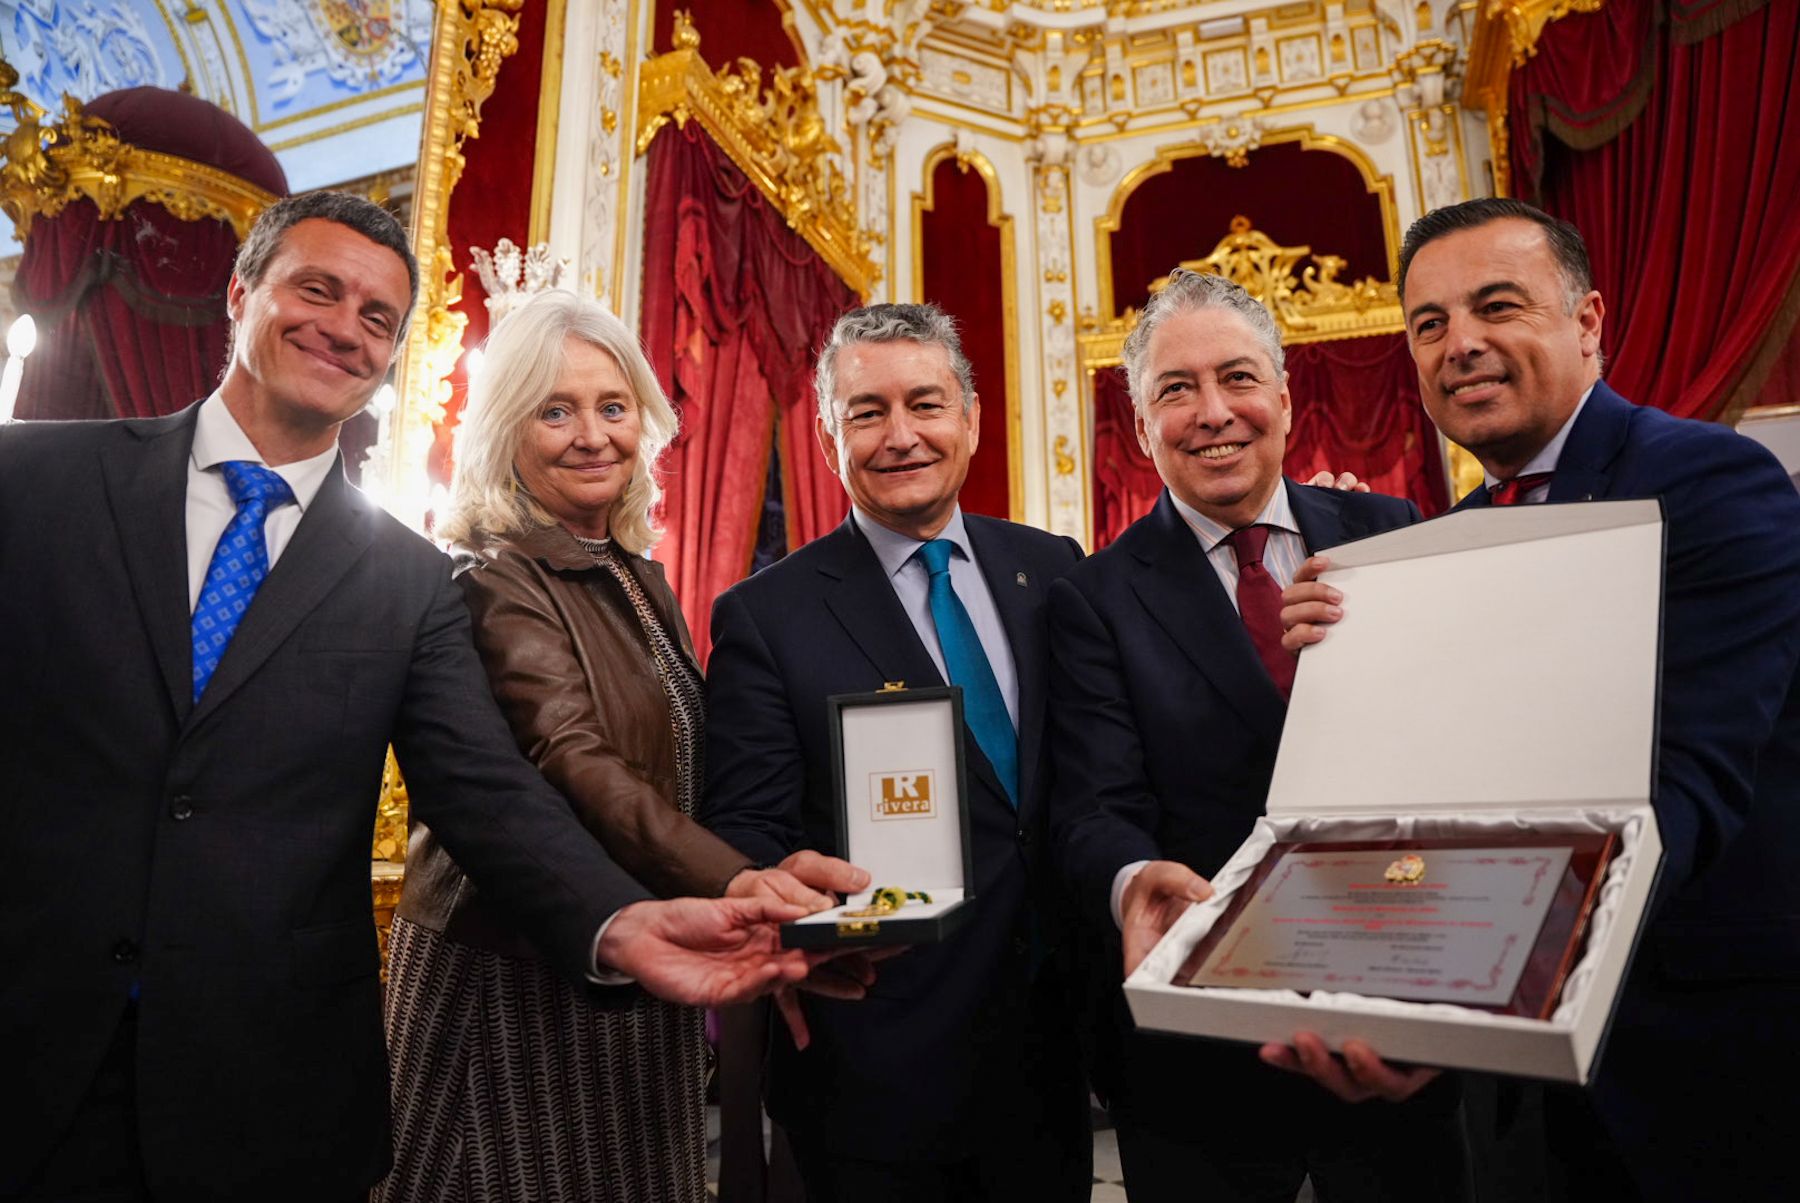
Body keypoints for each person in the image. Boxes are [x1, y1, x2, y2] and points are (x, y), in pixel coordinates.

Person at [0, 192, 815, 1203]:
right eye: (318, 290)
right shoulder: (34, 480)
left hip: (259, 1079)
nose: (345, 326)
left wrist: (621, 923)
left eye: (379, 317)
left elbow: (486, 792)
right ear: (241, 293)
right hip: (31, 1039)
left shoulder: (405, 575)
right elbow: (570, 753)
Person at [1277, 197, 1800, 1201]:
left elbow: (1684, 789)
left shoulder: (1708, 483)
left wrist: (1456, 996)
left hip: (1704, 1061)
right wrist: (1347, 673)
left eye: (1496, 306)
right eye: (1428, 324)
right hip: (1528, 1101)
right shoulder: (1444, 541)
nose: (1460, 344)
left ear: (1589, 322)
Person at [374, 290, 867, 1202]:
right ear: (505, 432)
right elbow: (573, 758)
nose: (592, 434)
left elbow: (675, 768)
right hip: (515, 977)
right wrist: (736, 881)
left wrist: (765, 861)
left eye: (612, 405)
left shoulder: (634, 571)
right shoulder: (496, 574)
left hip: (637, 960)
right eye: (554, 410)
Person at [1043, 269, 1468, 1201]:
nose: (1212, 413)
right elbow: (1092, 806)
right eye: (1175, 389)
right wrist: (1130, 881)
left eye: (1237, 378)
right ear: (1141, 420)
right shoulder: (1094, 597)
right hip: (1205, 1048)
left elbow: (1453, 743)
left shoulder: (1386, 530)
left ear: (1283, 394)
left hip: (1392, 1009)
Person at [699, 303, 1093, 1201]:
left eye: (926, 403)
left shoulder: (1054, 568)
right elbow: (744, 828)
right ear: (830, 431)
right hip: (880, 1058)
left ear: (972, 418)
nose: (902, 435)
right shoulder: (768, 615)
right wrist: (785, 894)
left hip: (1054, 1046)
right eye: (868, 411)